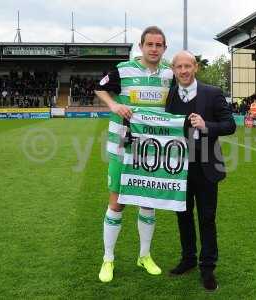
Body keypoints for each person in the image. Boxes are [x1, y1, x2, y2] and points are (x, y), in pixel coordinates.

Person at [94, 26, 173, 283]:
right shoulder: (122, 69)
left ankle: (144, 255)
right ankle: (108, 259)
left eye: (158, 45)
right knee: (117, 204)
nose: (153, 49)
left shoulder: (169, 74)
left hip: (153, 151)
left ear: (164, 48)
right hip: (122, 148)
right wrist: (114, 104)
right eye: (149, 44)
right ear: (141, 46)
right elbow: (99, 88)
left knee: (148, 204)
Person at [165, 51, 236, 291]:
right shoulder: (172, 94)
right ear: (173, 70)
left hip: (206, 166)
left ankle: (207, 268)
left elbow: (230, 125)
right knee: (182, 215)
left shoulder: (213, 93)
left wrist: (207, 126)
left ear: (195, 67)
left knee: (207, 218)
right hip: (179, 167)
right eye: (179, 67)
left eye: (187, 66)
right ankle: (188, 259)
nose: (183, 71)